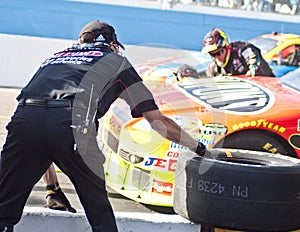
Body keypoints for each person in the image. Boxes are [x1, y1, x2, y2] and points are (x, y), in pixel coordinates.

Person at [0, 20, 211, 232]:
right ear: (111, 44)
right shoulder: (117, 62)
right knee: (100, 215)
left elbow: (41, 124)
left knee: (3, 212)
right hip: (71, 125)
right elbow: (157, 121)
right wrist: (197, 147)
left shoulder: (54, 58)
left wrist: (52, 189)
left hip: (24, 119)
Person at [201, 28, 275, 78]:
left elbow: (254, 63)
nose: (216, 57)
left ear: (227, 47)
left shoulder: (243, 50)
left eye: (219, 53)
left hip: (270, 90)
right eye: (212, 54)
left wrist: (252, 69)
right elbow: (205, 78)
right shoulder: (214, 67)